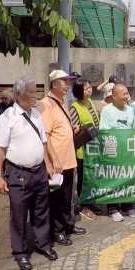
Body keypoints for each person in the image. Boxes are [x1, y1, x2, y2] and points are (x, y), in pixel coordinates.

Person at [0, 76, 58, 270]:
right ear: (18, 94)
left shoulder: (36, 114)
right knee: (19, 215)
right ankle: (20, 253)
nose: (34, 96)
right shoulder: (7, 118)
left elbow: (43, 142)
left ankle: (43, 244)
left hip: (39, 172)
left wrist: (48, 164)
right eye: (31, 92)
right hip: (18, 174)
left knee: (41, 211)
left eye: (35, 91)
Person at [37, 70, 86, 247]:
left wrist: (71, 127)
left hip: (68, 159)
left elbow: (58, 127)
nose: (68, 85)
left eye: (69, 81)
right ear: (54, 84)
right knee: (56, 199)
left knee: (67, 197)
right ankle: (57, 232)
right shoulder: (45, 104)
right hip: (58, 163)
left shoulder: (61, 103)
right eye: (65, 81)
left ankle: (67, 225)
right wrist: (52, 160)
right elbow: (46, 135)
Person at [99, 84, 135, 222]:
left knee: (128, 177)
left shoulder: (131, 110)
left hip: (128, 150)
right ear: (114, 96)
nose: (126, 96)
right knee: (114, 179)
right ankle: (113, 208)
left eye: (127, 93)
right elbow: (104, 130)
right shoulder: (107, 110)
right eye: (123, 94)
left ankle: (127, 206)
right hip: (113, 150)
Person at [69, 78, 100, 220]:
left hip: (93, 149)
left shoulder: (91, 103)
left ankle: (90, 203)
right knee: (83, 179)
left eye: (89, 87)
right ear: (78, 91)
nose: (89, 90)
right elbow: (73, 129)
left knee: (91, 178)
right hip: (82, 151)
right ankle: (83, 206)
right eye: (86, 88)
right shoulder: (74, 107)